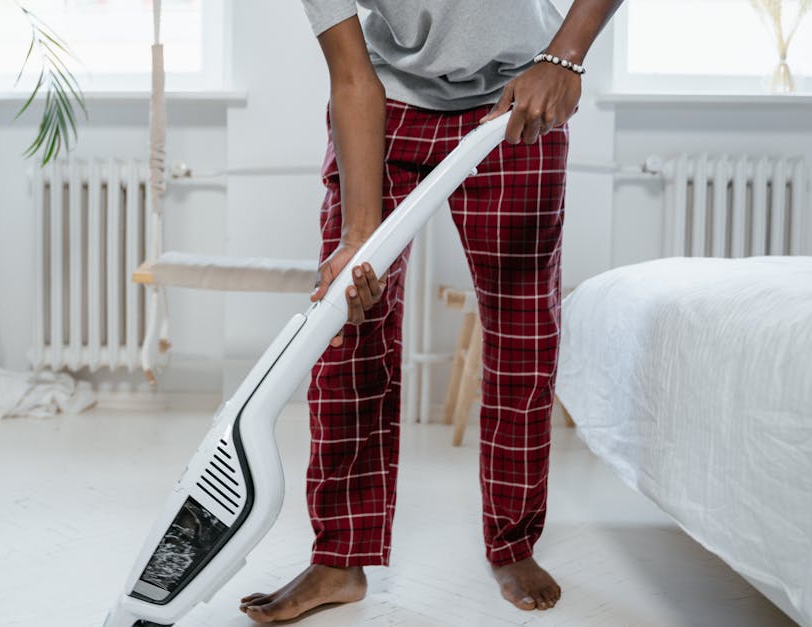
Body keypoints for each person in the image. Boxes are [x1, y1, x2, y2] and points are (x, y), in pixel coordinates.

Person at [238, 1, 624, 622]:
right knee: (349, 322)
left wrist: (564, 55)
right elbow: (352, 76)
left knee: (523, 331)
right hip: (386, 104)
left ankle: (512, 541)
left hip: (519, 94)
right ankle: (341, 558)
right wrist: (360, 230)